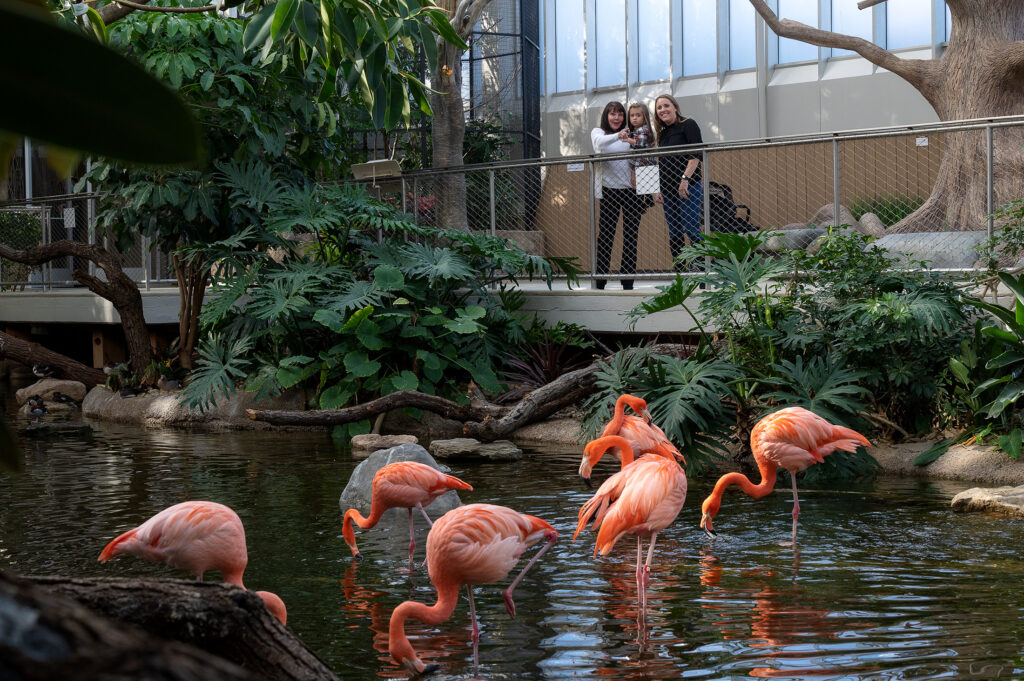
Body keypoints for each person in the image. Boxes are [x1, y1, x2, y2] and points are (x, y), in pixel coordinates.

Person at [591, 101, 646, 290]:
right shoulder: (598, 132)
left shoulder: (633, 134)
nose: (617, 118)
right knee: (606, 236)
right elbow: (599, 143)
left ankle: (627, 280)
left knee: (631, 235)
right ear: (606, 116)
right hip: (609, 191)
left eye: (620, 114)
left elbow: (643, 153)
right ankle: (600, 280)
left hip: (631, 191)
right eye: (613, 114)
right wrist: (619, 135)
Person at [652, 93, 704, 267]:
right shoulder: (662, 134)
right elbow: (659, 163)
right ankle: (680, 271)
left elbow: (696, 155)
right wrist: (656, 189)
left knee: (691, 228)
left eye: (666, 105)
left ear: (675, 107)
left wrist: (685, 179)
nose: (663, 110)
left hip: (688, 187)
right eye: (659, 108)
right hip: (667, 190)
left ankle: (701, 271)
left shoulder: (688, 124)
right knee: (674, 231)